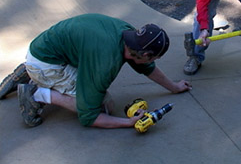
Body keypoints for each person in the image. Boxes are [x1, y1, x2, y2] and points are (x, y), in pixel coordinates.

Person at [0, 13, 192, 128]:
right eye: (155, 57)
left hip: (46, 49)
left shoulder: (129, 34)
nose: (154, 61)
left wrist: (173, 87)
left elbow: (147, 67)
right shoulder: (105, 62)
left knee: (101, 100)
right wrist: (127, 123)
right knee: (102, 107)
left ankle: (31, 70)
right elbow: (89, 117)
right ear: (145, 53)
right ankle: (37, 93)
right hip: (47, 63)